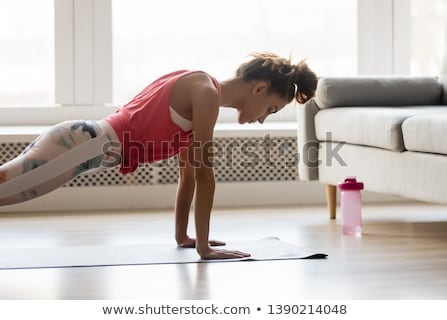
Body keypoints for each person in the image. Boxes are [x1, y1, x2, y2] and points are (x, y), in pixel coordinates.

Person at [0, 52, 318, 259]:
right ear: (260, 88)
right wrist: (205, 249)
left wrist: (185, 237)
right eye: (271, 109)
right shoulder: (204, 92)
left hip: (79, 146)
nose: (263, 118)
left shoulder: (202, 93)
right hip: (79, 146)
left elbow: (189, 175)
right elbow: (206, 174)